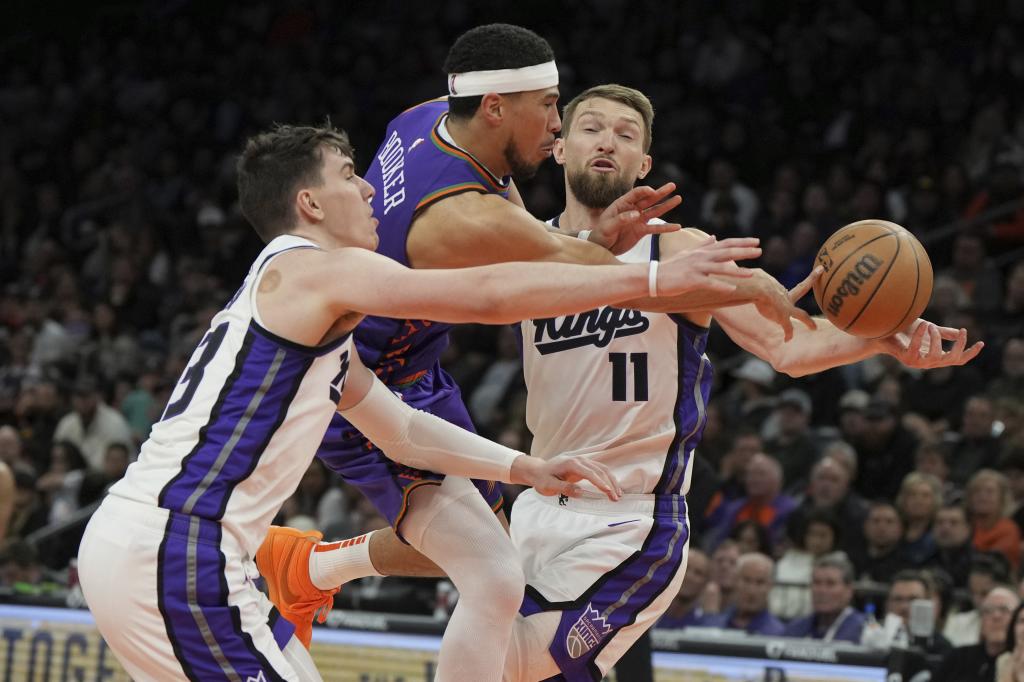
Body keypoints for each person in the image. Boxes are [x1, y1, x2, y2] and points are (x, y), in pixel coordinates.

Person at [264, 79, 983, 681]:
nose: (607, 140)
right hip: (545, 494)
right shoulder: (527, 242)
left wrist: (881, 344)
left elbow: (786, 347)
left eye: (626, 133)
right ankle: (315, 564)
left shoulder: (683, 249)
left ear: (644, 162)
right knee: (459, 548)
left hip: (631, 524)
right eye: (591, 127)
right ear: (561, 145)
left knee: (503, 663)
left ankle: (317, 570)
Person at [75, 122, 750, 682]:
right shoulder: (318, 268)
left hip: (164, 549)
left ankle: (310, 566)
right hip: (176, 548)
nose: (369, 187)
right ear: (309, 204)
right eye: (347, 174)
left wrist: (524, 468)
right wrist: (649, 279)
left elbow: (401, 431)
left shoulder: (313, 311)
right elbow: (485, 296)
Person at [936, 586, 1020, 682]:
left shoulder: (1018, 664)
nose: (996, 616)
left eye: (1004, 610)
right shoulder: (958, 658)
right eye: (988, 610)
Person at [784, 553, 867, 643]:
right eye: (817, 583)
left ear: (849, 591)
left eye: (830, 584)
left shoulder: (865, 631)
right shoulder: (795, 629)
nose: (822, 591)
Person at [701, 553, 785, 635]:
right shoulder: (715, 621)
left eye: (760, 583)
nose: (752, 590)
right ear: (735, 581)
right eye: (746, 581)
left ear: (770, 587)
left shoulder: (777, 634)